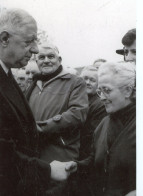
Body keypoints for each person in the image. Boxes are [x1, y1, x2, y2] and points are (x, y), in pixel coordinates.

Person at [0, 8, 72, 196]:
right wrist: (46, 170)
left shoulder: (7, 74)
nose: (35, 49)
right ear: (4, 39)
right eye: (29, 41)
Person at [26, 42, 88, 195]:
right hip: (35, 155)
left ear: (59, 60)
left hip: (60, 154)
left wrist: (42, 127)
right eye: (41, 57)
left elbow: (78, 113)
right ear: (37, 61)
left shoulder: (74, 82)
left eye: (51, 56)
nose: (46, 60)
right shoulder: (33, 85)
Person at [66, 62, 136, 196]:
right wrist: (78, 166)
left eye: (107, 90)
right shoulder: (104, 122)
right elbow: (96, 160)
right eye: (100, 91)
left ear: (128, 90)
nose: (102, 97)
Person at [80, 66, 106, 159]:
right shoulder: (76, 98)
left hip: (85, 152)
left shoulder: (100, 104)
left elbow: (92, 134)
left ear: (98, 84)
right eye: (85, 79)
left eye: (92, 80)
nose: (87, 82)